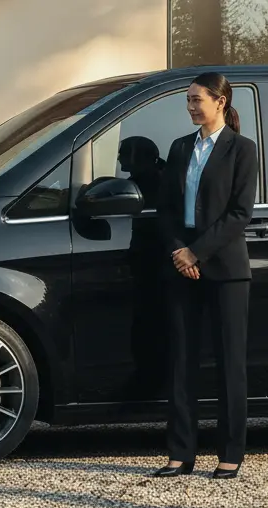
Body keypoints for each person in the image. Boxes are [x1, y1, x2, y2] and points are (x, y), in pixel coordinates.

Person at [150, 72, 259, 480]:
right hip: (183, 267)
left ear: (221, 102)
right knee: (182, 362)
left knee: (230, 364)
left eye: (198, 100)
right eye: (189, 100)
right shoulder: (180, 148)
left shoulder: (241, 150)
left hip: (226, 269)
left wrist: (198, 251)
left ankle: (229, 454)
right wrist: (180, 251)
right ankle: (181, 454)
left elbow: (240, 213)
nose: (192, 107)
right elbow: (165, 209)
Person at [118, 137, 171, 400]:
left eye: (123, 155)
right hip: (148, 261)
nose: (118, 160)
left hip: (154, 263)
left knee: (148, 324)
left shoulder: (152, 183)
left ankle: (149, 383)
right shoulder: (154, 177)